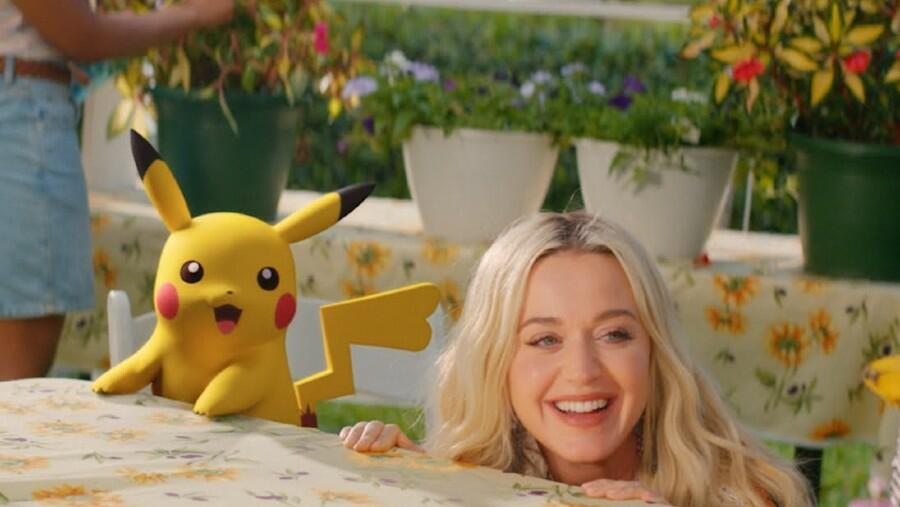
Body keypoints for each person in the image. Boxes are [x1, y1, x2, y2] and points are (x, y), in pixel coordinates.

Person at [340, 212, 812, 506]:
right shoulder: (480, 482)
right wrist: (418, 483)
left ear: (654, 351)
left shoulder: (747, 497)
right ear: (495, 363)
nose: (583, 372)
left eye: (614, 334)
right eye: (545, 340)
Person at [0, 0, 234, 380]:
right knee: (15, 381)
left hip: (21, 109)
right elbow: (83, 36)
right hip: (21, 122)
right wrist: (196, 14)